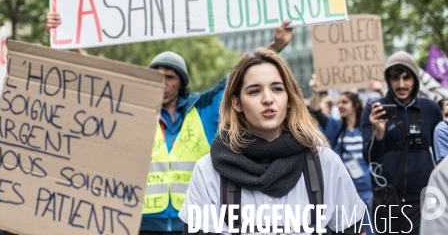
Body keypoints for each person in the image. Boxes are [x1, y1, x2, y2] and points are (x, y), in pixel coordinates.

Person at [45, 12, 293, 235]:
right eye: (158, 77)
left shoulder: (205, 109)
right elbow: (101, 80)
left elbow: (238, 76)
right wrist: (66, 39)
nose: (163, 83)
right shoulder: (135, 110)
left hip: (195, 222)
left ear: (182, 83)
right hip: (142, 224)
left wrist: (276, 45)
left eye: (170, 78)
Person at [178, 48, 366, 234]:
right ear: (236, 103)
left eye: (277, 89)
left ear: (289, 99)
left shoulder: (324, 162)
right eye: (254, 91)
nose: (268, 99)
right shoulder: (208, 171)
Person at [361, 51, 443, 233]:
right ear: (388, 80)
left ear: (415, 79)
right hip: (388, 200)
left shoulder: (430, 108)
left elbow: (442, 156)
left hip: (424, 200)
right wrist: (379, 133)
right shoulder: (374, 109)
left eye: (407, 78)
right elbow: (369, 158)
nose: (401, 84)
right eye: (395, 78)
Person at [308, 78, 375, 235]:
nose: (340, 105)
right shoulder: (336, 127)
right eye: (339, 102)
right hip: (348, 192)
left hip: (370, 191)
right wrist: (316, 92)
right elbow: (315, 111)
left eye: (345, 102)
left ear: (355, 105)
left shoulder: (366, 127)